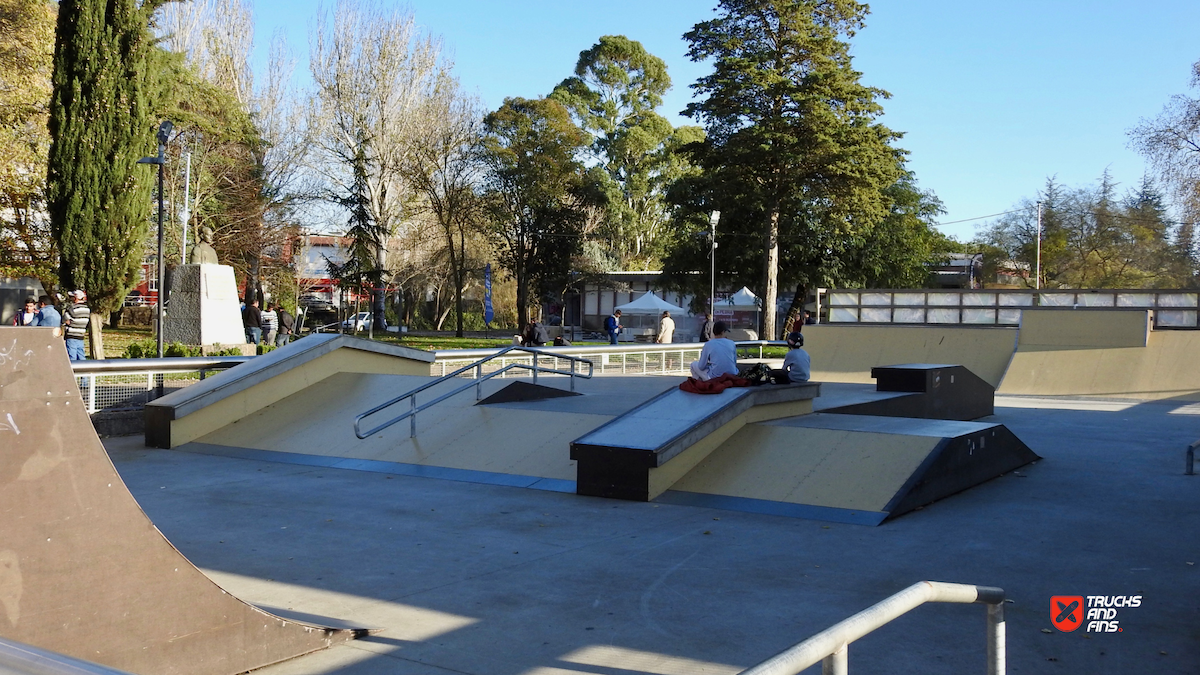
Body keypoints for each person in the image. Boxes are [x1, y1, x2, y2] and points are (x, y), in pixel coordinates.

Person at [63, 290, 90, 361]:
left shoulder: (72, 308)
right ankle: (83, 370)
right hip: (81, 335)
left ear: (76, 298)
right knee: (81, 356)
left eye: (72, 297)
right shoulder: (87, 309)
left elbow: (64, 319)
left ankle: (73, 371)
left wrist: (69, 322)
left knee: (72, 356)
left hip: (71, 335)